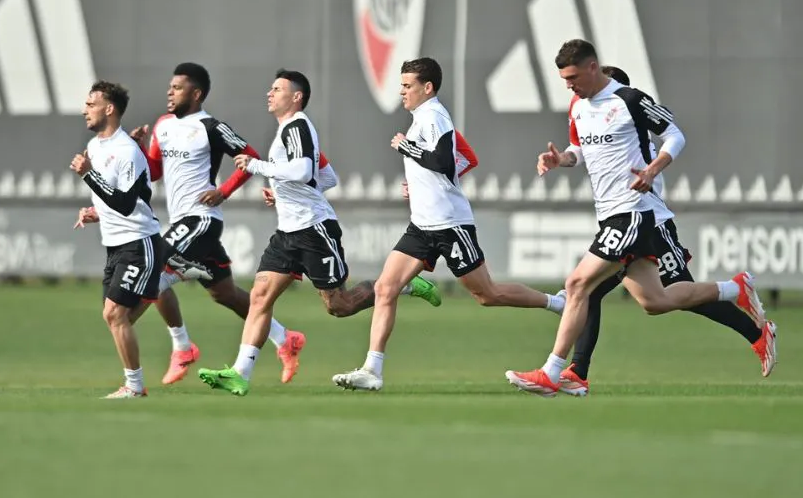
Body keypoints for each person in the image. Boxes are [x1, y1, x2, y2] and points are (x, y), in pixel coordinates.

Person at [504, 39, 766, 397]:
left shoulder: (629, 100)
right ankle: (735, 288)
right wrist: (561, 160)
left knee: (578, 285)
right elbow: (580, 149)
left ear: (593, 67)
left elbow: (675, 134)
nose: (569, 84)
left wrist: (653, 169)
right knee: (654, 301)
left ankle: (554, 372)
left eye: (573, 76)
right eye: (564, 79)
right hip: (612, 214)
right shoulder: (578, 106)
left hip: (633, 212)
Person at [197, 69, 442, 396]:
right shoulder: (287, 130)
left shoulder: (298, 125)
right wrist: (282, 191)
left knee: (338, 304)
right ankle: (240, 373)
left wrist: (258, 168)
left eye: (278, 89)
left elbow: (304, 170)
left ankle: (402, 284)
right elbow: (326, 177)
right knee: (259, 297)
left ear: (296, 97)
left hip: (314, 230)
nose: (270, 93)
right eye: (270, 88)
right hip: (287, 233)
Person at [332, 57, 568, 392]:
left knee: (488, 294)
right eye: (401, 85)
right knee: (385, 288)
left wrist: (407, 148)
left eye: (407, 85)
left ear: (427, 88)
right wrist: (419, 185)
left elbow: (443, 162)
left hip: (450, 224)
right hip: (422, 225)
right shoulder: (422, 119)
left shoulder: (434, 115)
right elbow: (461, 160)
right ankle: (373, 369)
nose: (402, 92)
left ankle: (556, 302)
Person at [82, 63, 308, 386]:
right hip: (182, 223)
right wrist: (140, 150)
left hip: (201, 220)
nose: (170, 93)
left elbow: (250, 157)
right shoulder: (162, 125)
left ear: (196, 93)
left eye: (177, 88)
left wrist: (223, 191)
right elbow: (155, 171)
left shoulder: (210, 127)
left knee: (152, 264)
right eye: (170, 87)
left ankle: (181, 347)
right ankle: (285, 339)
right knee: (225, 294)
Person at [71, 80, 168, 399]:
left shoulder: (127, 150)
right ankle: (165, 279)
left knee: (115, 314)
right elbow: (124, 198)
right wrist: (95, 212)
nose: (85, 110)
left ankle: (134, 387)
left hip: (139, 242)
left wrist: (88, 175)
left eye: (90, 104)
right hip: (115, 244)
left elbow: (127, 204)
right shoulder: (97, 147)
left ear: (108, 109)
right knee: (115, 316)